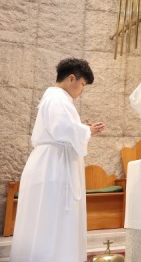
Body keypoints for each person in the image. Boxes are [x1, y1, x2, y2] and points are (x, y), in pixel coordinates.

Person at [10, 58, 106, 262]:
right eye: (82, 84)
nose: (82, 90)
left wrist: (83, 129)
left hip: (54, 162)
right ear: (72, 78)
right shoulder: (57, 98)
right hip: (54, 166)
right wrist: (87, 130)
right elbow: (62, 129)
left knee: (49, 220)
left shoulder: (56, 98)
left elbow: (63, 128)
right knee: (54, 219)